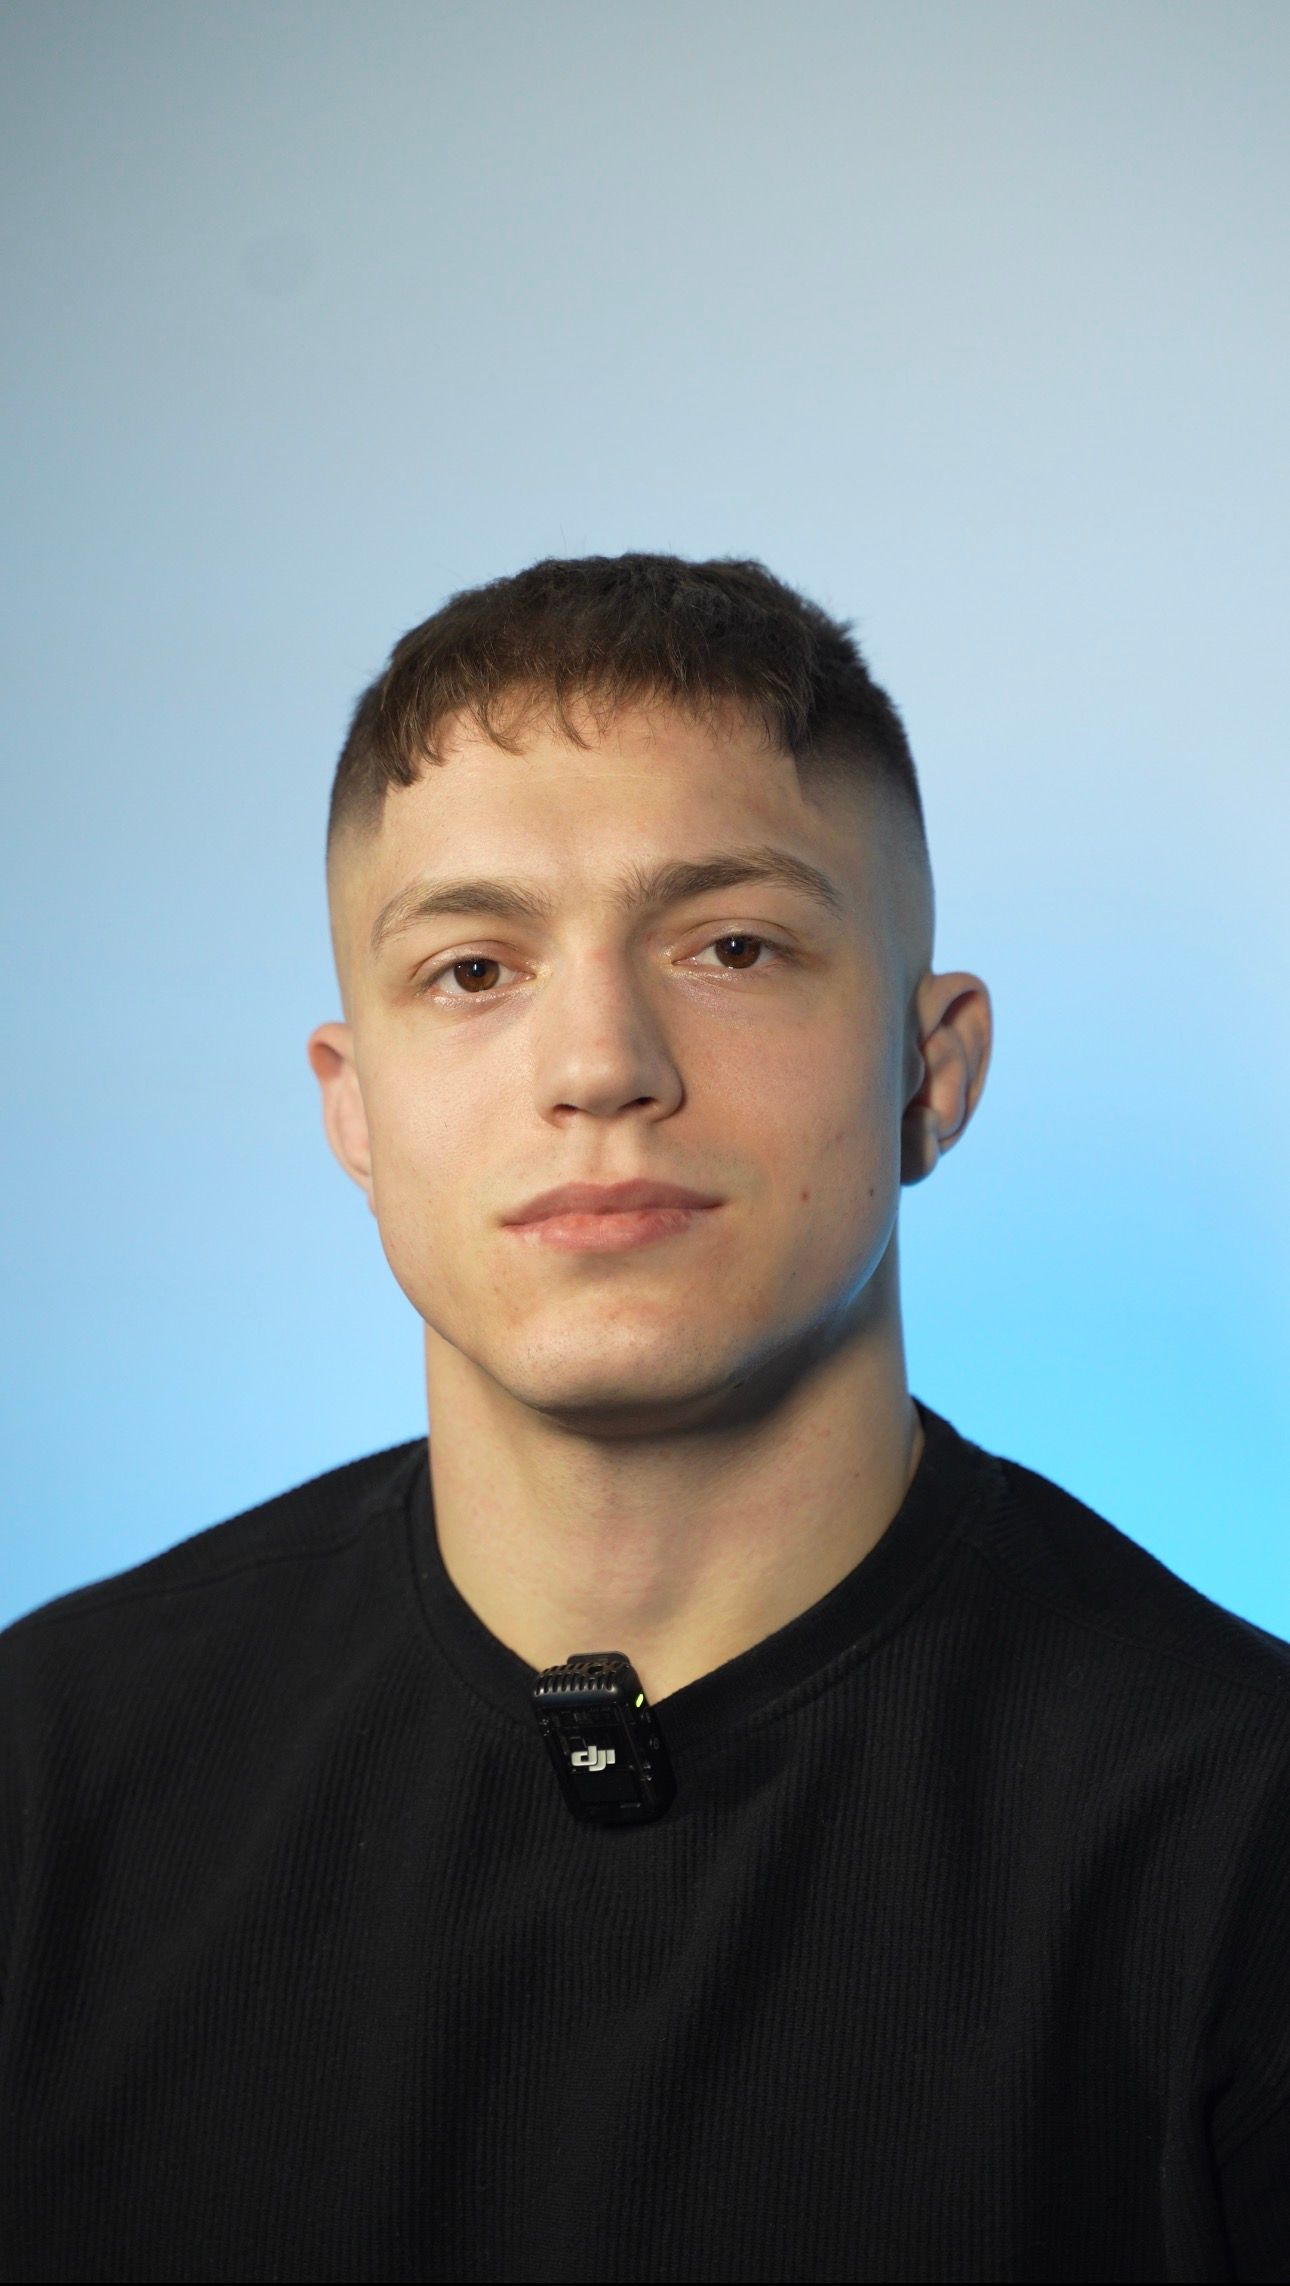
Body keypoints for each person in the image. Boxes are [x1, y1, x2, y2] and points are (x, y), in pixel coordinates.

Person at [1, 553, 1286, 2284]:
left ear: (930, 1069)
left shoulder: (1238, 1837)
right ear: (354, 1107)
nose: (598, 1061)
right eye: (472, 968)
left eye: (732, 945)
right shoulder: (45, 1784)